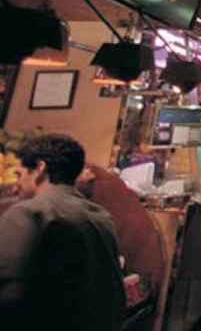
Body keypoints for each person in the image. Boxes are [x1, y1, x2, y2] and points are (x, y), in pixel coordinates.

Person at [0, 134, 126, 329]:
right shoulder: (101, 215)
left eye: (19, 174)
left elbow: (8, 292)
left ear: (40, 169)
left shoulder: (29, 212)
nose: (16, 187)